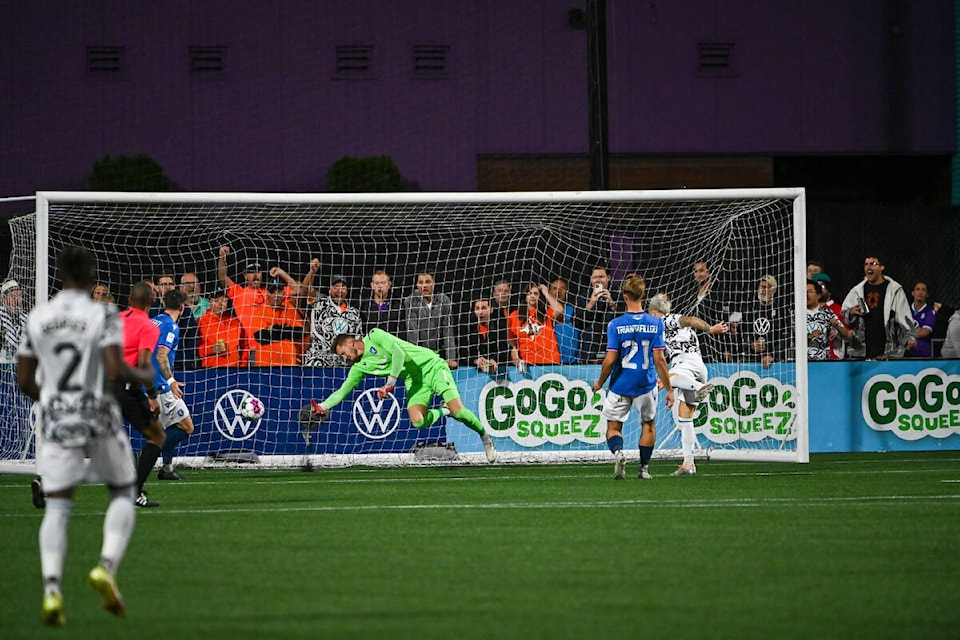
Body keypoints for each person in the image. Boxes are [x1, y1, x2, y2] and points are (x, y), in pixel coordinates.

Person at [17, 246, 154, 626]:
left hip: (57, 418)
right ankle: (106, 567)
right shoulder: (101, 314)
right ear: (92, 276)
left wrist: (54, 401)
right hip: (98, 414)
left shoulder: (38, 317)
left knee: (58, 506)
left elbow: (24, 380)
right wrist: (145, 375)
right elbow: (115, 368)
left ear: (60, 274)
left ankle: (51, 590)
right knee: (124, 490)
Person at [311, 329, 497, 462]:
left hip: (431, 366)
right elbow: (343, 390)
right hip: (413, 380)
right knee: (418, 421)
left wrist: (389, 383)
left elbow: (398, 353)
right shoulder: (358, 367)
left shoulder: (374, 336)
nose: (345, 358)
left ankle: (485, 437)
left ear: (351, 343)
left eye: (343, 353)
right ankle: (444, 411)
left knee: (460, 412)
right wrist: (323, 406)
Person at [592, 276, 673, 480]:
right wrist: (670, 389)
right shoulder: (656, 324)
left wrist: (600, 382)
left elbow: (610, 360)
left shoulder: (615, 324)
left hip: (620, 384)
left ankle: (619, 453)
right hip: (645, 384)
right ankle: (643, 469)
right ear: (643, 295)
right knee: (648, 425)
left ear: (625, 296)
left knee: (613, 427)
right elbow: (660, 359)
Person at [646, 292, 728, 476]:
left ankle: (698, 388)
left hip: (685, 364)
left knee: (665, 378)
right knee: (685, 418)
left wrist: (710, 329)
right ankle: (689, 464)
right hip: (698, 366)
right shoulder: (666, 326)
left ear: (653, 312)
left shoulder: (667, 320)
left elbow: (691, 319)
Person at [152, 289, 197, 480]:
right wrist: (171, 381)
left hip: (147, 383)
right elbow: (161, 355)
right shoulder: (171, 326)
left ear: (163, 304)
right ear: (182, 307)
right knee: (186, 427)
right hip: (161, 386)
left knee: (169, 427)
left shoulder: (153, 321)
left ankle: (167, 468)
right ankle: (149, 451)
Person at [841, 256, 915, 359]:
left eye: (872, 264)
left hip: (888, 350)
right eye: (866, 264)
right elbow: (845, 314)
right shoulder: (857, 290)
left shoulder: (894, 290)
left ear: (882, 267)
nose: (868, 267)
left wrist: (909, 337)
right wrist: (850, 313)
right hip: (862, 350)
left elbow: (904, 316)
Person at [303, 274, 363, 367]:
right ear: (329, 290)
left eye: (343, 287)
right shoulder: (320, 302)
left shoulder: (354, 313)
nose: (339, 291)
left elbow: (358, 340)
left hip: (343, 364)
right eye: (336, 287)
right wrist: (312, 271)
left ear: (347, 291)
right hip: (317, 361)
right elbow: (305, 290)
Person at [248, 273, 307, 366]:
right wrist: (286, 330)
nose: (276, 295)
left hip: (289, 363)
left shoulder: (289, 309)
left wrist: (275, 329)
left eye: (279, 291)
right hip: (265, 366)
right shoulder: (259, 311)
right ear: (267, 294)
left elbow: (299, 333)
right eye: (272, 292)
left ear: (284, 294)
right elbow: (261, 337)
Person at [403, 270, 458, 369]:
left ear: (434, 283)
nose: (424, 286)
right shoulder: (410, 301)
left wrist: (451, 358)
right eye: (420, 282)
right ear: (416, 284)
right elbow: (412, 333)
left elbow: (448, 330)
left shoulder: (444, 300)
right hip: (421, 355)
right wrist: (415, 358)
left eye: (427, 282)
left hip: (440, 355)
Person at [734, 275, 792, 369]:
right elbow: (742, 332)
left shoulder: (782, 310)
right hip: (752, 359)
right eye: (761, 287)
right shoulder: (749, 308)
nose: (762, 290)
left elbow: (787, 336)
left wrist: (773, 355)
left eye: (766, 287)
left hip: (775, 361)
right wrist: (751, 344)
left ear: (774, 290)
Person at [507, 282, 564, 366]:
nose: (532, 296)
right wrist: (514, 351)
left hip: (550, 360)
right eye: (529, 293)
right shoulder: (515, 315)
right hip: (527, 361)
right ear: (525, 296)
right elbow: (511, 338)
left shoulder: (546, 312)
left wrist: (546, 293)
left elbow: (560, 310)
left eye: (536, 293)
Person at [217, 246, 267, 335]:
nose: (255, 275)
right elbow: (223, 277)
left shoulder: (271, 293)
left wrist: (281, 273)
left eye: (258, 271)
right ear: (245, 275)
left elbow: (297, 290)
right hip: (251, 345)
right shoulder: (239, 293)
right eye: (251, 272)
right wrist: (222, 257)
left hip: (273, 344)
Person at [197, 288, 249, 367]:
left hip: (234, 371)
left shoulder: (235, 322)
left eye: (224, 300)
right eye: (216, 301)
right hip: (210, 371)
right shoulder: (201, 322)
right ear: (210, 302)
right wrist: (210, 349)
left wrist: (242, 366)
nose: (221, 304)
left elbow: (245, 346)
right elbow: (194, 349)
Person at [579, 267, 621, 363]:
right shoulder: (583, 297)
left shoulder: (617, 295)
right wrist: (591, 303)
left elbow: (625, 319)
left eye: (601, 277)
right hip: (590, 349)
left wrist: (611, 303)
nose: (598, 280)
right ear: (591, 279)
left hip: (614, 348)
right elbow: (577, 323)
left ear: (608, 277)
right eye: (595, 277)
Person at [462, 298, 511, 374]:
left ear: (491, 310)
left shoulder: (500, 329)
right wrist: (475, 360)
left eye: (484, 308)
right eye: (477, 309)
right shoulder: (468, 330)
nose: (480, 312)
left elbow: (504, 351)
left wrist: (494, 360)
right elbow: (462, 354)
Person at [806, 280, 849, 361]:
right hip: (803, 363)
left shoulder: (828, 313)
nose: (806, 295)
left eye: (810, 291)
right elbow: (790, 338)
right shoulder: (797, 315)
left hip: (825, 362)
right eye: (804, 291)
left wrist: (837, 326)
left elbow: (846, 334)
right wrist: (809, 337)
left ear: (818, 295)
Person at [360, 269, 404, 338]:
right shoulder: (364, 306)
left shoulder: (398, 306)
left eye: (383, 283)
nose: (380, 286)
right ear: (372, 285)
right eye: (377, 283)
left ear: (389, 284)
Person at [550, 278, 580, 363]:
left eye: (561, 288)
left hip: (574, 363)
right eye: (555, 288)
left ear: (566, 292)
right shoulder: (544, 312)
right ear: (549, 292)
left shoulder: (574, 310)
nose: (558, 291)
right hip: (551, 362)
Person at [904, 281, 935, 358]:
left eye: (923, 290)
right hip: (905, 344)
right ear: (913, 293)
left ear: (927, 294)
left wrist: (907, 333)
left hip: (922, 347)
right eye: (917, 289)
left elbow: (923, 333)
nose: (920, 292)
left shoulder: (930, 312)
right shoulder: (904, 310)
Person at [0, 278, 27, 365]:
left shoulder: (26, 318)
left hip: (21, 365)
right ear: (4, 299)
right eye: (13, 297)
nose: (17, 301)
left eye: (19, 296)